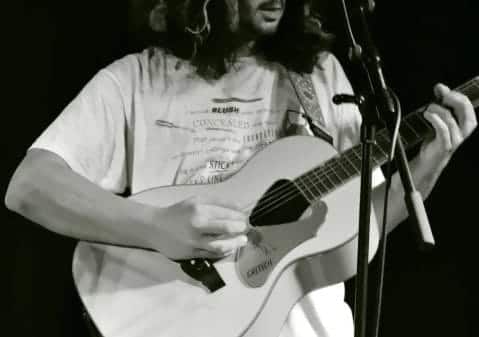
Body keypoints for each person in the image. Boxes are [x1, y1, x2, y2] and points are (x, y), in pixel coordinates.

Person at [5, 0, 476, 336]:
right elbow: (29, 186)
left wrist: (429, 164)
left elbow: (355, 234)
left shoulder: (320, 76)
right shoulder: (137, 78)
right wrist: (154, 225)